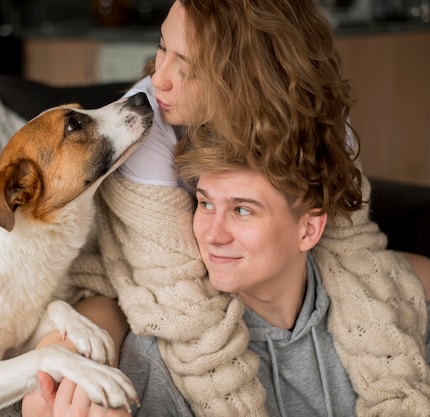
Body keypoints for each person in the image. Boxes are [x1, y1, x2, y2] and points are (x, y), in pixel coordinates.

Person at [22, 0, 430, 416]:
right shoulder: (146, 122)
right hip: (132, 278)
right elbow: (173, 295)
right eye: (163, 48)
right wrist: (65, 356)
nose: (157, 78)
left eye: (188, 66)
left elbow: (353, 250)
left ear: (247, 74)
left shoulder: (320, 125)